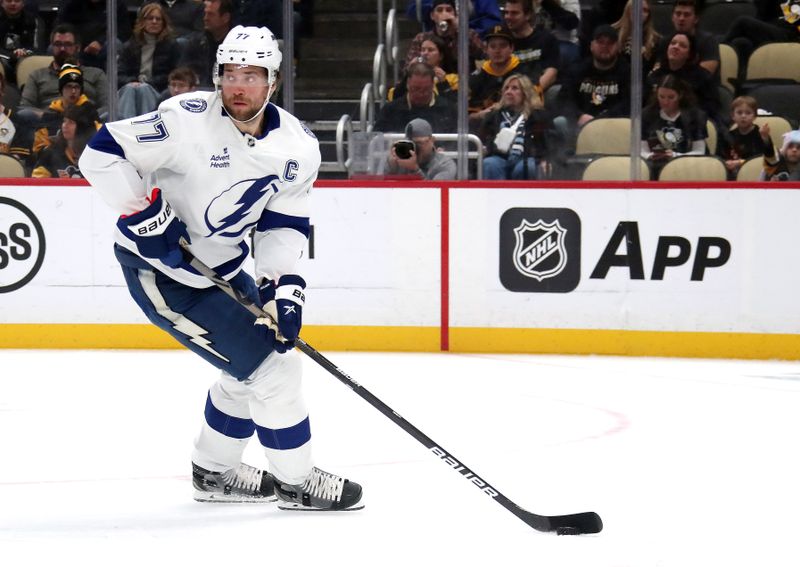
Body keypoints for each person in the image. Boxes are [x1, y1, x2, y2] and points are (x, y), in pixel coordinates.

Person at [79, 25, 363, 511]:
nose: (238, 85)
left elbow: (283, 222)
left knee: (247, 369)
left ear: (272, 81)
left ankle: (214, 472)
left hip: (226, 271)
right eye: (230, 73)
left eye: (251, 75)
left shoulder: (297, 146)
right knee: (275, 372)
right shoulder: (185, 118)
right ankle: (296, 483)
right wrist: (144, 213)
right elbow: (101, 154)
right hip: (163, 274)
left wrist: (282, 286)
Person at [554, 24, 631, 143]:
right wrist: (578, 115)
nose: (605, 46)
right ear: (591, 46)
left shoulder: (627, 72)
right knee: (560, 121)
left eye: (610, 43)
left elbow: (629, 104)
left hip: (613, 126)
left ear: (618, 46)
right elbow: (563, 100)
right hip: (579, 126)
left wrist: (602, 119)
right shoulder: (577, 69)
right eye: (600, 42)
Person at [18, 24, 108, 119]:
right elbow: (25, 107)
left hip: (87, 123)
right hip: (48, 122)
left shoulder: (96, 74)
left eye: (68, 44)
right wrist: (48, 116)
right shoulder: (37, 75)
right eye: (58, 44)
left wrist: (85, 117)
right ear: (52, 47)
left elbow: (108, 106)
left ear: (78, 47)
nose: (62, 49)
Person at [478, 73, 552, 179]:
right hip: (499, 158)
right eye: (506, 88)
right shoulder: (494, 115)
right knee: (489, 164)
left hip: (527, 158)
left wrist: (545, 160)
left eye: (514, 88)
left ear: (525, 93)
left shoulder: (537, 115)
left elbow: (546, 143)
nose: (509, 92)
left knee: (526, 166)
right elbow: (482, 139)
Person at [117, 2, 181, 119]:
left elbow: (174, 75)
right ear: (142, 22)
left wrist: (147, 82)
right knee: (130, 89)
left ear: (163, 23)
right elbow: (118, 75)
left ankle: (146, 128)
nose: (154, 22)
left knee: (144, 89)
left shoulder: (172, 46)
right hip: (131, 90)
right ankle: (127, 128)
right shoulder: (129, 46)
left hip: (157, 91)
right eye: (150, 18)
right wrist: (132, 81)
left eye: (158, 19)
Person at [646, 31, 723, 128]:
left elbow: (712, 107)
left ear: (689, 54)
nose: (676, 47)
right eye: (673, 43)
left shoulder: (702, 76)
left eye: (682, 46)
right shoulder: (655, 76)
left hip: (693, 124)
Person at [640, 73, 708, 179]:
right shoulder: (647, 115)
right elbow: (641, 149)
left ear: (680, 95)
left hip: (687, 166)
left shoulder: (695, 116)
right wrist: (651, 156)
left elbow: (700, 151)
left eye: (671, 97)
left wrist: (676, 155)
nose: (665, 102)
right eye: (661, 97)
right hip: (654, 166)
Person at [468, 25, 536, 125]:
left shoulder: (525, 73)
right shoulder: (477, 78)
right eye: (493, 46)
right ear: (486, 49)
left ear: (511, 48)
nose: (497, 51)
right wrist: (481, 115)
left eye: (503, 46)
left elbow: (535, 105)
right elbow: (466, 115)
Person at [31, 63, 99, 157]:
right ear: (61, 89)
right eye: (69, 86)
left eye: (77, 87)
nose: (73, 91)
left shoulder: (90, 112)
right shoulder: (49, 114)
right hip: (55, 164)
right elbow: (39, 148)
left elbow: (98, 142)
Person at [374, 61, 457, 133]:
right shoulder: (390, 110)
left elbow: (458, 142)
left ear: (432, 85)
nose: (421, 94)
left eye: (426, 89)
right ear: (408, 84)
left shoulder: (448, 110)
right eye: (416, 89)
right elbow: (377, 141)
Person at [404, 0, 485, 74]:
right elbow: (407, 70)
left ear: (455, 15)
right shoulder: (422, 38)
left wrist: (460, 30)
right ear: (432, 16)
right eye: (439, 10)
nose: (444, 14)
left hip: (462, 85)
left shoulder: (467, 34)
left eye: (448, 10)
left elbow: (485, 55)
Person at [723, 0, 800, 72]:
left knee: (742, 21)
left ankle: (718, 51)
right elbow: (761, 14)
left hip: (788, 34)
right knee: (740, 42)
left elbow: (794, 20)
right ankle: (742, 80)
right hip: (768, 29)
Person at [501, 0, 560, 92]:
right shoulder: (502, 40)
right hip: (508, 93)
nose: (508, 17)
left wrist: (531, 93)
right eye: (506, 13)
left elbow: (551, 73)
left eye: (514, 13)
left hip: (535, 93)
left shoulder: (546, 39)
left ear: (528, 15)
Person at [54, 0, 131, 69]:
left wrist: (100, 42)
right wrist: (76, 43)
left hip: (103, 46)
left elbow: (123, 31)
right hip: (78, 45)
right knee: (55, 47)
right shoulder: (71, 4)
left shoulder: (116, 4)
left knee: (115, 44)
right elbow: (61, 27)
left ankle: (111, 82)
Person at [654, 0, 720, 79]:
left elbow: (704, 76)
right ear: (672, 17)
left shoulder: (708, 41)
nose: (681, 18)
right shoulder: (665, 41)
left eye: (687, 15)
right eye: (678, 14)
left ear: (696, 19)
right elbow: (658, 70)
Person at [31, 101, 97, 178]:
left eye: (71, 122)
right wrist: (59, 183)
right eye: (64, 121)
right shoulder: (50, 153)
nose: (65, 125)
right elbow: (37, 184)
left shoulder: (95, 155)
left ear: (82, 127)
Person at [716, 95, 772, 179]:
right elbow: (719, 157)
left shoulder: (760, 134)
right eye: (739, 113)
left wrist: (739, 162)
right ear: (733, 116)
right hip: (731, 174)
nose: (743, 116)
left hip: (754, 174)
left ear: (754, 116)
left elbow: (761, 159)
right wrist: (726, 163)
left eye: (748, 113)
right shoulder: (727, 136)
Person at [180, 0, 234, 87]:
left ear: (225, 18)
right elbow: (183, 72)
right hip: (196, 91)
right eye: (205, 14)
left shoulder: (236, 45)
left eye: (211, 14)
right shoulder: (196, 42)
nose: (205, 18)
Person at [389, 32, 457, 102]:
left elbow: (454, 106)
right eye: (423, 50)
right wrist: (408, 74)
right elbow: (395, 99)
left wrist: (443, 84)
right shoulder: (412, 78)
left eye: (430, 50)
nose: (425, 53)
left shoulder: (453, 79)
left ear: (441, 56)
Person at [384, 118, 457, 180]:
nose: (415, 148)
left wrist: (415, 170)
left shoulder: (443, 164)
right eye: (411, 144)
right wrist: (391, 169)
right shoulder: (399, 160)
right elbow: (379, 190)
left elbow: (435, 193)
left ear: (432, 140)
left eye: (419, 143)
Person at [0, 0, 46, 81]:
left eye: (17, 0)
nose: (13, 3)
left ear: (23, 3)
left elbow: (39, 48)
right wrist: (11, 55)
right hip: (2, 59)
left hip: (27, 58)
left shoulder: (34, 21)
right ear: (1, 3)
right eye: (8, 0)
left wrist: (25, 52)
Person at [611, 0, 661, 75]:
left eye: (645, 10)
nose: (641, 14)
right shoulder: (612, 32)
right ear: (628, 10)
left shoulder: (656, 39)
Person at [405, 0, 502, 38]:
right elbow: (412, 11)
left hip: (468, 42)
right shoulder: (421, 39)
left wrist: (464, 28)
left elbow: (493, 21)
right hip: (435, 42)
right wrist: (437, 7)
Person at [533, 0, 582, 67]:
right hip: (536, 43)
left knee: (558, 54)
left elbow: (571, 24)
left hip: (563, 42)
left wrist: (547, 4)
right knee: (520, 57)